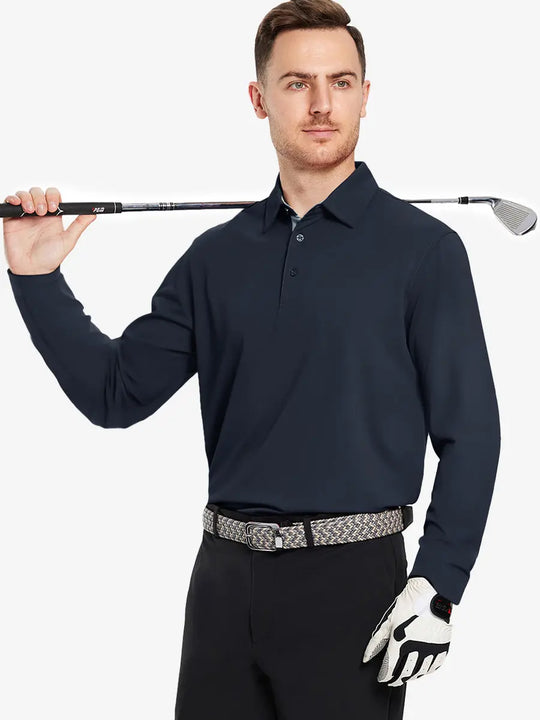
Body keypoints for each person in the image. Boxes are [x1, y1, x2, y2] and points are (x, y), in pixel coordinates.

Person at [3, 0, 500, 718]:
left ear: (365, 95)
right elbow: (116, 394)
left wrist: (438, 585)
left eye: (341, 82)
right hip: (223, 587)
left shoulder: (425, 251)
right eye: (298, 83)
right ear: (259, 99)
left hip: (355, 591)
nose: (322, 103)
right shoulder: (216, 258)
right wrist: (36, 279)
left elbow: (471, 433)